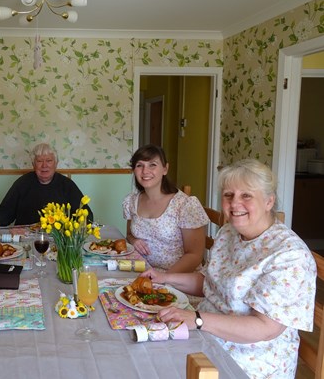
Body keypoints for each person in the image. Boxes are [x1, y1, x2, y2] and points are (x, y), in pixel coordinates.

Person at [141, 159, 316, 378]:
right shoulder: (229, 233)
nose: (235, 204)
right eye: (228, 195)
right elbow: (209, 282)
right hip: (206, 336)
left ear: (269, 201)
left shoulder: (289, 255)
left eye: (246, 196)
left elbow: (265, 328)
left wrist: (196, 319)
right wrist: (165, 278)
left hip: (249, 360)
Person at [122, 144, 208, 273]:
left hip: (178, 278)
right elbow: (129, 234)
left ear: (165, 169)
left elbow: (194, 256)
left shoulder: (185, 205)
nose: (145, 171)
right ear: (134, 170)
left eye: (153, 165)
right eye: (140, 165)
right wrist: (134, 241)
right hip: (142, 271)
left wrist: (163, 278)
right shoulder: (131, 201)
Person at [0, 143, 93, 229]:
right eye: (39, 161)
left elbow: (86, 215)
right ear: (33, 164)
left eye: (49, 161)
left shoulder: (67, 185)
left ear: (56, 163)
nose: (44, 165)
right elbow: (5, 212)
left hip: (59, 240)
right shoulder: (22, 183)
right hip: (25, 239)